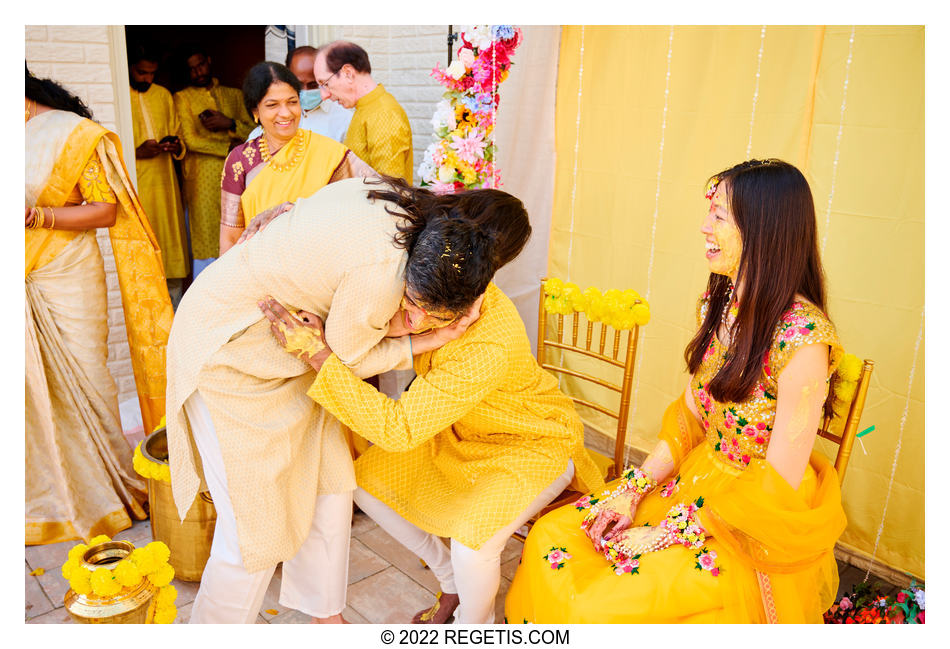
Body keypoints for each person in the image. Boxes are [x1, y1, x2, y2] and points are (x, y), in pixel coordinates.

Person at [165, 176, 528, 624]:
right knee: (255, 522)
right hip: (233, 357)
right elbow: (341, 363)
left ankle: (327, 620)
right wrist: (420, 338)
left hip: (286, 358)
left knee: (331, 485)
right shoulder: (386, 274)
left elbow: (329, 351)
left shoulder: (399, 203)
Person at [504, 159, 848, 623]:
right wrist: (636, 487)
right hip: (699, 480)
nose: (704, 226)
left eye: (720, 216)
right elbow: (691, 416)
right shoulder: (723, 299)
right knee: (551, 535)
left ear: (763, 229)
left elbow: (779, 486)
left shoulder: (803, 341)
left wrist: (669, 532)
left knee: (600, 603)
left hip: (751, 515)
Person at [259, 182, 605, 624]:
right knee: (364, 477)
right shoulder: (439, 269)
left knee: (472, 541)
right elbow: (375, 198)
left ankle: (472, 628)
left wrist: (318, 354)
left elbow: (398, 429)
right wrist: (300, 217)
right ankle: (452, 583)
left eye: (428, 313)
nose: (412, 319)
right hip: (460, 432)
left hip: (534, 444)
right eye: (410, 303)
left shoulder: (486, 343)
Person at [25, 68, 173, 545]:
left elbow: (105, 210)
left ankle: (108, 488)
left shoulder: (70, 132)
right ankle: (51, 494)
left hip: (66, 271)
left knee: (87, 376)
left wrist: (37, 215)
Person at [219, 61, 374, 255]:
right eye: (272, 105)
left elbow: (376, 196)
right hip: (259, 274)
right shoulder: (240, 161)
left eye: (292, 102)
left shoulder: (329, 153)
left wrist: (298, 211)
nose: (285, 113)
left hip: (319, 270)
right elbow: (230, 237)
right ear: (255, 112)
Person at [173, 45, 254, 275]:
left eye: (201, 65)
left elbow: (254, 133)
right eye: (192, 69)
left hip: (240, 174)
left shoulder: (234, 95)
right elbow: (191, 141)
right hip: (201, 180)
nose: (198, 72)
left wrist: (229, 123)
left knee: (240, 226)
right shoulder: (182, 98)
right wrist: (228, 145)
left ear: (209, 61)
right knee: (206, 235)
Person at [128, 43, 189, 308]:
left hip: (165, 185)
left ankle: (176, 313)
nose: (147, 79)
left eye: (152, 73)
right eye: (141, 73)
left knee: (171, 250)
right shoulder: (119, 95)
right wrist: (136, 152)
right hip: (138, 183)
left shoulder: (163, 95)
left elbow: (180, 133)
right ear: (129, 68)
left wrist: (176, 146)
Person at [314, 41, 413, 182]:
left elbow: (388, 190)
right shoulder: (366, 108)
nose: (324, 95)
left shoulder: (384, 113)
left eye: (325, 84)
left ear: (348, 73)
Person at [247, 46, 353, 144]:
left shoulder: (345, 120)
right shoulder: (275, 118)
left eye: (313, 84)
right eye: (298, 84)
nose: (305, 91)